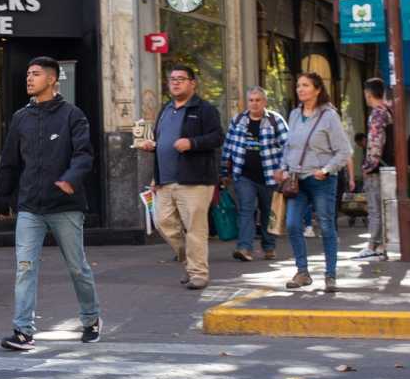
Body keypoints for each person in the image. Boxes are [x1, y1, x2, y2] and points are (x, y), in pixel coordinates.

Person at [0, 56, 101, 350]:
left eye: (36, 74)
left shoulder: (72, 115)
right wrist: (1, 197)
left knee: (77, 267)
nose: (29, 78)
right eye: (28, 73)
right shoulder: (21, 118)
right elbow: (10, 161)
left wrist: (71, 178)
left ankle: (91, 319)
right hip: (30, 206)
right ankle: (23, 331)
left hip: (66, 206)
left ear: (53, 79)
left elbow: (84, 154)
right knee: (25, 267)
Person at [136, 64, 223, 289]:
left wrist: (192, 143)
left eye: (181, 79)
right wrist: (153, 146)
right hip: (165, 180)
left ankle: (198, 273)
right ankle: (191, 260)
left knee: (195, 228)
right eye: (172, 79)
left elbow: (217, 137)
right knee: (163, 222)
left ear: (192, 83)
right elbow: (163, 141)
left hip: (194, 180)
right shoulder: (166, 109)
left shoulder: (204, 109)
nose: (175, 82)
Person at [276, 72, 353, 293]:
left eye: (306, 85)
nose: (300, 89)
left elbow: (344, 151)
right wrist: (282, 167)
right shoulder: (293, 115)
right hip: (296, 180)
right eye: (298, 85)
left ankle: (330, 275)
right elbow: (289, 147)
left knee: (327, 225)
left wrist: (326, 170)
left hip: (321, 181)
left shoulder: (329, 116)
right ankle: (302, 272)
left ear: (317, 90)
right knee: (291, 224)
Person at [220, 86, 287, 262]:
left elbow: (288, 147)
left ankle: (269, 246)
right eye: (251, 100)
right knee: (246, 210)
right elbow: (228, 146)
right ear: (247, 102)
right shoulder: (238, 120)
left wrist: (284, 169)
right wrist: (224, 171)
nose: (254, 103)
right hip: (244, 175)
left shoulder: (275, 120)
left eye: (258, 100)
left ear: (264, 102)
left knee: (267, 212)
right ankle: (244, 248)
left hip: (270, 175)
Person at [353, 77, 390, 261]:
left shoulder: (377, 113)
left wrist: (368, 166)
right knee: (385, 208)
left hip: (377, 169)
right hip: (388, 168)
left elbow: (375, 142)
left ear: (368, 94)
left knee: (375, 208)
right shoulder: (389, 110)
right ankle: (382, 244)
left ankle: (373, 245)